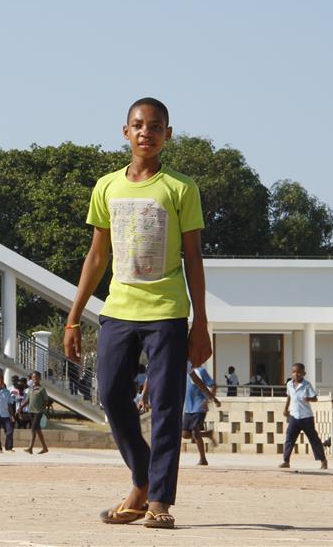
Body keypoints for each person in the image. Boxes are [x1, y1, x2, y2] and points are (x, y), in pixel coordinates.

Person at [64, 98, 210, 529]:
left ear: (168, 134)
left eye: (156, 126)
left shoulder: (180, 188)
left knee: (166, 405)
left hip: (166, 311)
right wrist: (73, 318)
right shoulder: (107, 186)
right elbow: (96, 256)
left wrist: (201, 323)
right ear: (125, 132)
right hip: (118, 310)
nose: (147, 132)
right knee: (110, 394)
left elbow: (194, 257)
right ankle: (143, 480)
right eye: (139, 125)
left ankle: (159, 501)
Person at [280, 363, 326, 469]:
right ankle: (286, 461)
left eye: (299, 372)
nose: (296, 374)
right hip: (294, 416)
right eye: (294, 372)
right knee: (289, 439)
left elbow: (315, 398)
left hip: (306, 417)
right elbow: (289, 397)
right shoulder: (289, 384)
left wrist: (309, 399)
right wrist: (286, 408)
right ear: (291, 373)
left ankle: (323, 460)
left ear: (304, 373)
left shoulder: (307, 385)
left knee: (314, 439)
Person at [182, 365, 220, 466]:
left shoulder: (201, 371)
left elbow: (213, 385)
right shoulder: (183, 370)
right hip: (188, 407)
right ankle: (207, 434)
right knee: (185, 434)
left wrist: (208, 400)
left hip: (199, 406)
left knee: (195, 431)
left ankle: (203, 459)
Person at [22, 371, 50, 454]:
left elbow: (46, 400)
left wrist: (42, 408)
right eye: (33, 377)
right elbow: (27, 400)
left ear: (40, 378)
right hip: (31, 412)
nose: (35, 379)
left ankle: (30, 448)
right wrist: (20, 408)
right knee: (38, 430)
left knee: (33, 429)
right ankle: (45, 448)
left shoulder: (42, 389)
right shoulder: (31, 389)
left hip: (38, 412)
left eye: (36, 377)